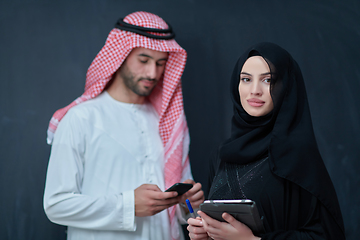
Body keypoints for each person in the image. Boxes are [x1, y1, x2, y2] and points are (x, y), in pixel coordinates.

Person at [43, 11, 204, 240]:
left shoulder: (170, 121)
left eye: (161, 63)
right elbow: (56, 205)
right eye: (144, 60)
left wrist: (188, 203)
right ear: (120, 55)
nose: (153, 73)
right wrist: (128, 205)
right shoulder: (81, 119)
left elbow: (181, 211)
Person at [187, 42, 345, 240]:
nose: (255, 90)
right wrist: (205, 233)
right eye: (246, 79)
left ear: (286, 87)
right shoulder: (222, 155)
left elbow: (328, 236)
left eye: (267, 80)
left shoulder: (297, 155)